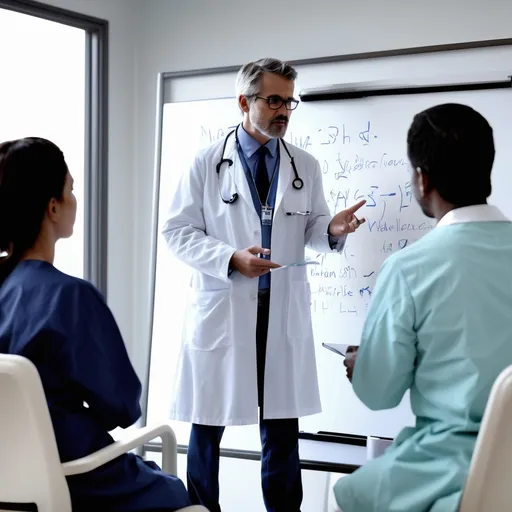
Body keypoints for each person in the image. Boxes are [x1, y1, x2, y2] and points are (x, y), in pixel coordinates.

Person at [161, 57, 366, 512]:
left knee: (280, 430)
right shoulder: (205, 164)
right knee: (207, 425)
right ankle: (200, 509)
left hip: (280, 314)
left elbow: (312, 230)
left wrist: (333, 229)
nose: (284, 111)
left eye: (289, 101)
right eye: (274, 100)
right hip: (226, 309)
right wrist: (230, 258)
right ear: (244, 102)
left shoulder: (304, 165)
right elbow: (176, 231)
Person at [333, 103, 512, 512]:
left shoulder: (409, 268)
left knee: (353, 493)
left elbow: (379, 393)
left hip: (452, 467)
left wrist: (364, 366)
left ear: (421, 178)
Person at [0, 137, 191, 512]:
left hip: (10, 486)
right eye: (71, 190)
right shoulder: (69, 297)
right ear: (53, 207)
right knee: (178, 494)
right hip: (77, 477)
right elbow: (120, 407)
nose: (75, 199)